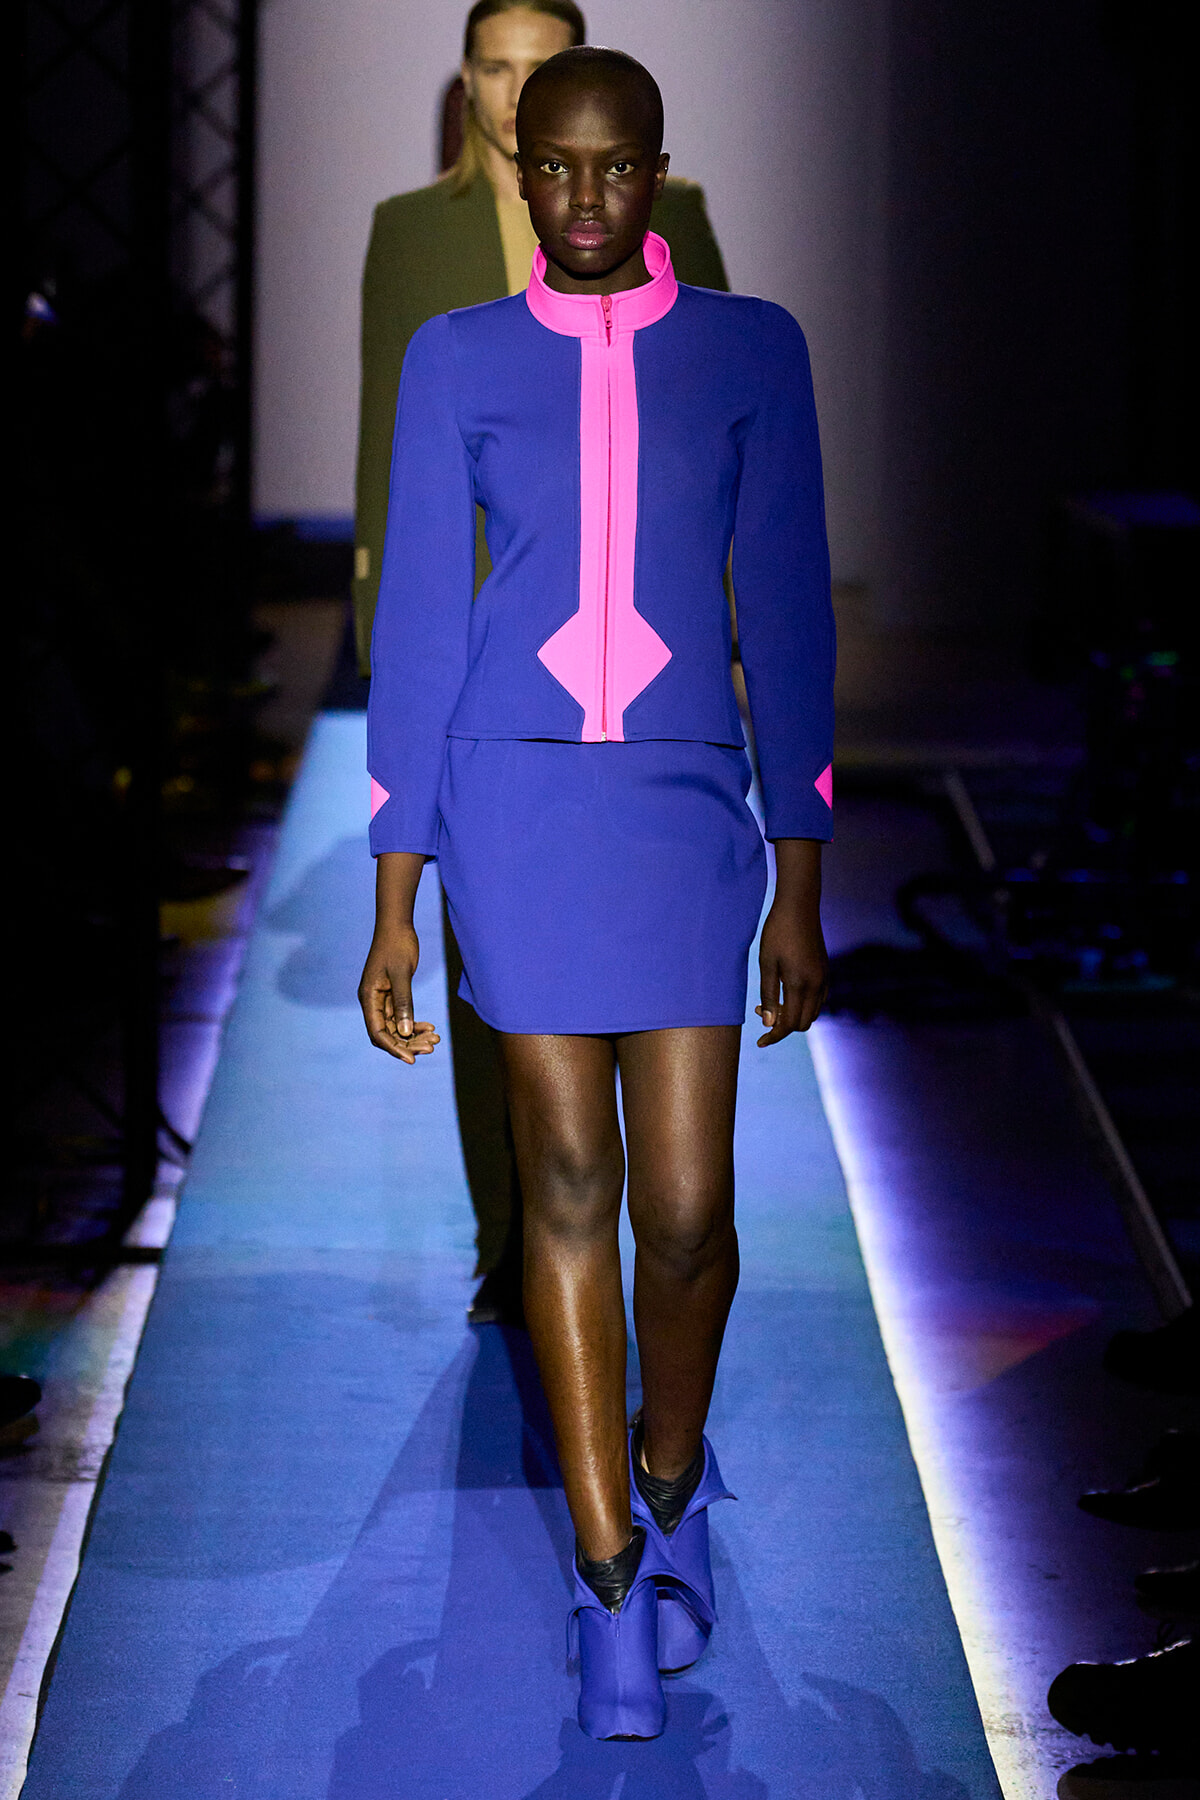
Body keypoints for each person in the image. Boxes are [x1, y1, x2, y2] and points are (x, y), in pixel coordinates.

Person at [359, 46, 834, 1740]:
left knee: (688, 1211)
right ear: (518, 167)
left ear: (658, 167)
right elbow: (424, 619)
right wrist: (398, 887)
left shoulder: (752, 348)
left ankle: (672, 1471)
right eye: (551, 166)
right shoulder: (457, 355)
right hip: (516, 802)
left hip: (686, 804)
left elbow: (789, 606)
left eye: (612, 166)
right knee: (568, 1183)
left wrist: (803, 872)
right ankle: (610, 1575)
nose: (580, 196)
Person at [353, 0, 731, 1326]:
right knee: (493, 972)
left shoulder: (679, 226)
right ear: (467, 81)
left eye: (540, 67)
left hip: (644, 683)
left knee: (647, 1020)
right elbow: (386, 449)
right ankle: (514, 1236)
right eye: (497, 68)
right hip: (478, 665)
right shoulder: (415, 233)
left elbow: (714, 439)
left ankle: (582, 1252)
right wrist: (384, 640)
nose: (518, 93)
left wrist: (723, 642)